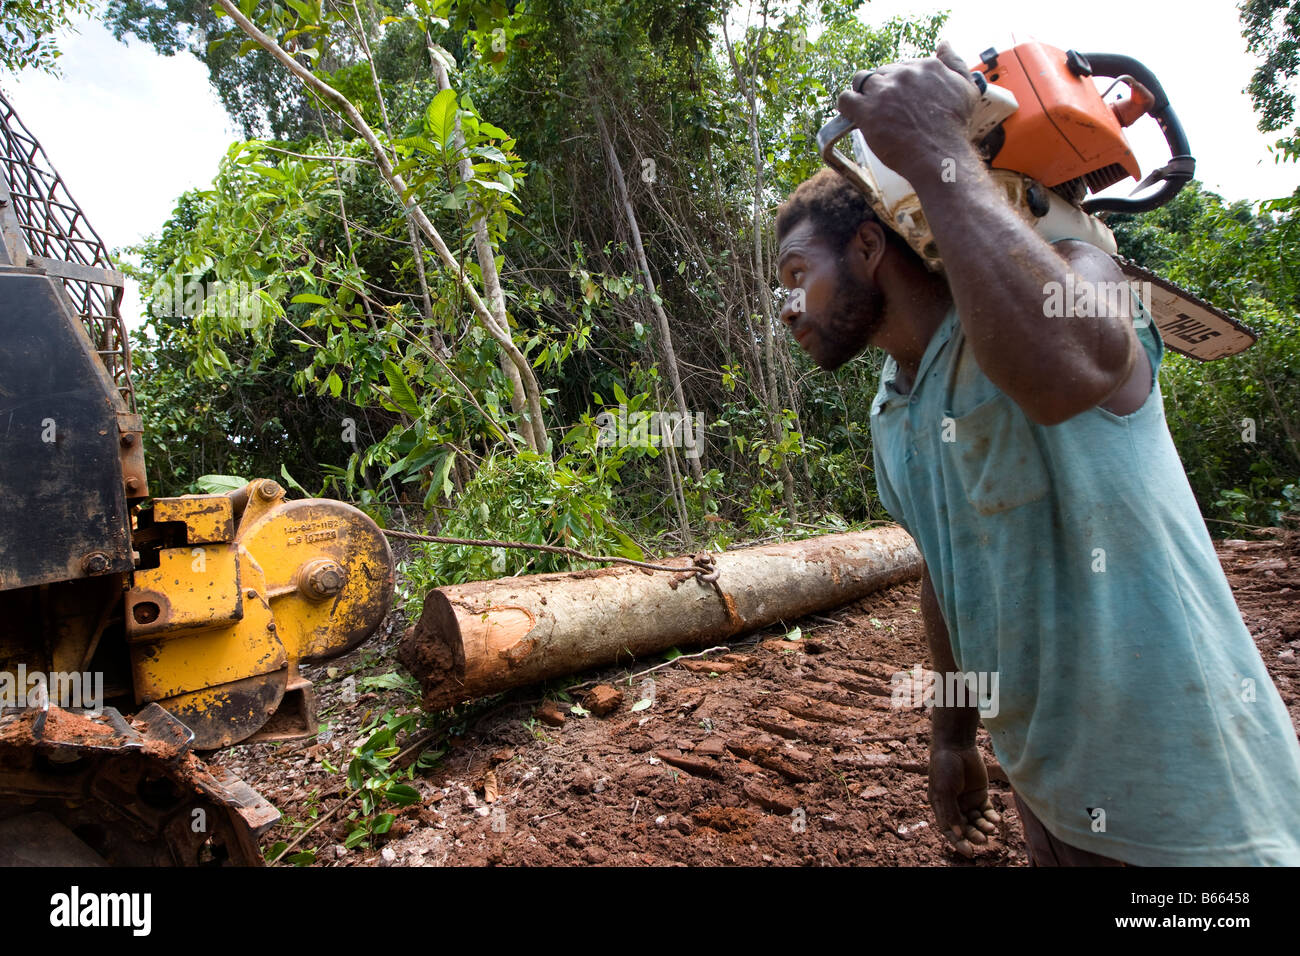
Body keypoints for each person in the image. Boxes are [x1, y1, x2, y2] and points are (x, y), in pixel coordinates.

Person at [774, 41, 1300, 865]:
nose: (786, 306)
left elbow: (1070, 371)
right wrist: (953, 736)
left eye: (797, 272)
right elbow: (947, 574)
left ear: (872, 248)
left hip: (1198, 818)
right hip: (1051, 800)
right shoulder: (893, 409)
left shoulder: (1079, 269)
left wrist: (939, 150)